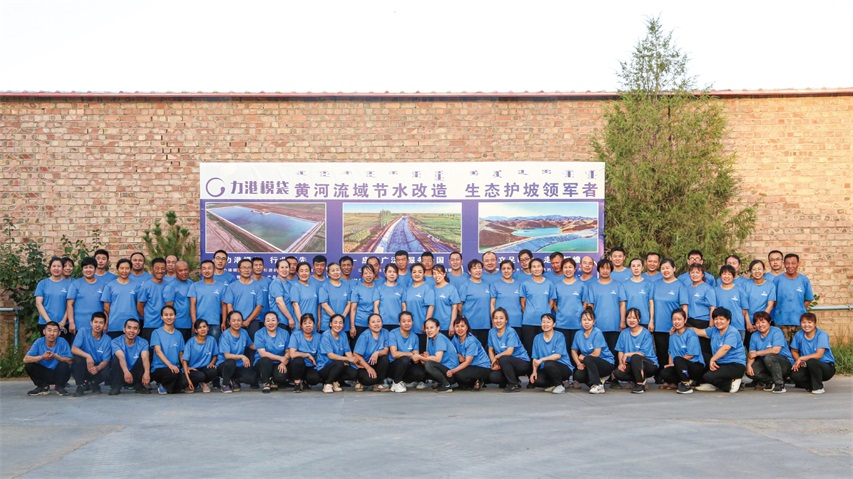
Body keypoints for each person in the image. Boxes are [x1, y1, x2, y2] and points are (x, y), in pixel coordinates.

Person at [649, 258, 688, 382]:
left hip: (674, 325)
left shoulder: (680, 286)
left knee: (674, 352)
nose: (665, 271)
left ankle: (674, 377)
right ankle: (661, 376)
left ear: (674, 269)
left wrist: (682, 324)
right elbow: (652, 303)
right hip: (659, 325)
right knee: (661, 352)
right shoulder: (656, 284)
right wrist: (651, 320)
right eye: (663, 268)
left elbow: (684, 307)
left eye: (668, 268)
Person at [692, 307, 747, 393]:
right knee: (701, 356)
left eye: (721, 319)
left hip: (735, 365)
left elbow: (725, 348)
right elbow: (698, 331)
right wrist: (681, 327)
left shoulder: (732, 332)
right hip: (721, 363)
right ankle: (714, 383)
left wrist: (713, 359)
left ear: (728, 321)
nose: (718, 321)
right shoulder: (714, 330)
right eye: (716, 319)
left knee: (708, 376)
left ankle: (730, 385)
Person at [570, 308, 616, 394]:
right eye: (584, 320)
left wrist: (584, 358)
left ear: (594, 322)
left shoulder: (597, 333)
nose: (586, 322)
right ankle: (597, 382)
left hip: (606, 363)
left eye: (589, 320)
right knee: (578, 375)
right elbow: (573, 350)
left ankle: (597, 384)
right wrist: (578, 364)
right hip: (589, 363)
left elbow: (596, 354)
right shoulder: (578, 334)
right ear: (581, 321)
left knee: (588, 359)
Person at [613, 308, 659, 394]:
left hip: (648, 364)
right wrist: (621, 363)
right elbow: (620, 350)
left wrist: (627, 354)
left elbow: (643, 353)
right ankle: (640, 378)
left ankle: (639, 384)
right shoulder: (623, 333)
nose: (631, 320)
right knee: (618, 373)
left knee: (635, 357)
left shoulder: (646, 333)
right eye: (629, 318)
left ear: (639, 319)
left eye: (634, 318)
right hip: (632, 364)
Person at [659, 309, 705, 394]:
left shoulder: (691, 333)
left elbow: (690, 355)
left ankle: (686, 385)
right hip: (679, 366)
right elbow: (670, 353)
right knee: (664, 373)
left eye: (679, 319)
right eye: (674, 319)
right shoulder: (672, 335)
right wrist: (670, 365)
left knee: (678, 359)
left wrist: (675, 364)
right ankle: (687, 381)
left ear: (685, 320)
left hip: (694, 365)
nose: (676, 322)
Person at [746, 311, 794, 393]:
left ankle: (779, 384)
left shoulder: (776, 331)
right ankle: (770, 381)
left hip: (784, 363)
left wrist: (757, 353)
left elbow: (775, 350)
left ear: (769, 322)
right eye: (757, 323)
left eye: (763, 322)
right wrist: (749, 365)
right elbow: (751, 354)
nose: (760, 325)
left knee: (769, 357)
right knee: (751, 371)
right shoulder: (754, 336)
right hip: (767, 363)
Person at [586, 259, 627, 353]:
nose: (605, 271)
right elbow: (590, 305)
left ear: (611, 270)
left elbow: (622, 304)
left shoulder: (618, 285)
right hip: (597, 326)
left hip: (614, 325)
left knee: (614, 352)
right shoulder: (592, 286)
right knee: (599, 352)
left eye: (607, 268)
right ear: (598, 269)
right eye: (602, 268)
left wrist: (622, 321)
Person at [790, 312, 836, 394]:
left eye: (810, 322)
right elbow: (794, 350)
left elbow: (819, 355)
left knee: (812, 361)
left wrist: (801, 358)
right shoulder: (799, 334)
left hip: (826, 367)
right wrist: (799, 361)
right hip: (807, 365)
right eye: (804, 322)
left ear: (815, 324)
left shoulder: (822, 335)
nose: (806, 325)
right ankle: (810, 386)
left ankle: (818, 387)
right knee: (794, 374)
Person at [487, 307, 531, 392]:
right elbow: (490, 350)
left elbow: (509, 352)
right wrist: (494, 363)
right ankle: (515, 380)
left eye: (501, 318)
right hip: (505, 362)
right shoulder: (491, 332)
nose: (498, 321)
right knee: (494, 377)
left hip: (521, 362)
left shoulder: (511, 331)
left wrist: (496, 357)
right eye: (496, 318)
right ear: (492, 320)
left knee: (503, 359)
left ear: (506, 320)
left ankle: (513, 384)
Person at [24, 321, 72, 396]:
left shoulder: (62, 342)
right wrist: (42, 357)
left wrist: (55, 356)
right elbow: (25, 359)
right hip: (44, 373)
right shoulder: (39, 342)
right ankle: (43, 386)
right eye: (49, 330)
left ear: (59, 333)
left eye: (55, 331)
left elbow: (70, 361)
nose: (52, 333)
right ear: (44, 332)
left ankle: (60, 386)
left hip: (59, 373)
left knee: (64, 364)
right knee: (29, 365)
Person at [552, 258, 589, 355]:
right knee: (563, 351)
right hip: (561, 324)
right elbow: (554, 304)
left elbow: (585, 302)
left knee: (576, 350)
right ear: (562, 269)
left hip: (577, 324)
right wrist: (560, 313)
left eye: (570, 267)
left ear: (575, 269)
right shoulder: (557, 286)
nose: (568, 270)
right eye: (565, 267)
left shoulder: (581, 285)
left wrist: (580, 314)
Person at [519, 258, 556, 355]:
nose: (536, 269)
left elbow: (551, 302)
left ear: (543, 268)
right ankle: (531, 365)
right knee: (529, 348)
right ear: (530, 269)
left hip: (545, 323)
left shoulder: (549, 284)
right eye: (534, 267)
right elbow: (523, 303)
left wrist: (545, 314)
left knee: (544, 348)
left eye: (538, 266)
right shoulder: (525, 284)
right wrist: (529, 313)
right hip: (529, 321)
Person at [528, 314, 572, 394]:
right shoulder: (537, 338)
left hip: (563, 367)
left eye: (548, 322)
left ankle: (559, 386)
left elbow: (558, 356)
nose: (545, 324)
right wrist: (534, 372)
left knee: (548, 364)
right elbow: (535, 357)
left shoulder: (559, 336)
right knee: (537, 380)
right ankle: (553, 385)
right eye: (543, 322)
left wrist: (542, 359)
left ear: (554, 324)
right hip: (547, 368)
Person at [216, 311, 259, 393]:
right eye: (234, 320)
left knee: (252, 377)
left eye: (239, 320)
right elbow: (227, 355)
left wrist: (264, 346)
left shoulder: (244, 332)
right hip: (224, 365)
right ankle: (225, 384)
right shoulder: (225, 335)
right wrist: (242, 356)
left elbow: (251, 345)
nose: (236, 323)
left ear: (242, 321)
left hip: (238, 365)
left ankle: (234, 380)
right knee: (230, 362)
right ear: (229, 322)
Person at [775, 253, 814, 341]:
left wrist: (799, 309)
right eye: (787, 263)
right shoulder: (777, 280)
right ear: (784, 264)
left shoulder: (804, 280)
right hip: (781, 321)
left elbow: (808, 299)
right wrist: (782, 308)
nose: (790, 266)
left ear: (798, 264)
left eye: (793, 263)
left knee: (798, 346)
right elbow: (773, 300)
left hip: (799, 321)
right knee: (782, 347)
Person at [70, 312, 112, 396]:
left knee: (107, 367)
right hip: (85, 365)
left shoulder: (107, 339)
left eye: (101, 323)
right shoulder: (83, 331)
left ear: (104, 325)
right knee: (77, 359)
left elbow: (106, 360)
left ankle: (94, 383)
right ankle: (80, 386)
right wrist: (88, 356)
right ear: (91, 323)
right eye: (96, 322)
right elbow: (73, 349)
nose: (98, 325)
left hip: (97, 366)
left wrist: (98, 368)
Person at [150, 305, 188, 394]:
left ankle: (168, 387)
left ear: (175, 316)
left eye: (171, 315)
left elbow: (181, 354)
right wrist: (170, 365)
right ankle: (162, 385)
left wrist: (186, 367)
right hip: (160, 368)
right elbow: (158, 351)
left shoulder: (179, 334)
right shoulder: (156, 333)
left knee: (184, 383)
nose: (168, 317)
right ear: (162, 317)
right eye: (166, 315)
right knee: (173, 374)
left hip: (175, 368)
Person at [316, 314, 358, 393]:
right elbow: (331, 355)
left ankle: (334, 381)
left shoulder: (343, 335)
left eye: (340, 323)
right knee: (339, 363)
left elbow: (347, 351)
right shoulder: (326, 336)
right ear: (330, 324)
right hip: (324, 367)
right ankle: (328, 384)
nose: (338, 325)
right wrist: (348, 359)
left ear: (343, 325)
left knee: (353, 372)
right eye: (335, 322)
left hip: (337, 365)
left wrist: (355, 363)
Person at [109, 319, 151, 395]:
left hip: (135, 373)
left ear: (138, 331)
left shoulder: (144, 342)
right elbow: (121, 357)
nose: (131, 331)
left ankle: (139, 386)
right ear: (124, 329)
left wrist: (147, 373)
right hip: (123, 372)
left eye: (135, 328)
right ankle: (116, 386)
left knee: (143, 359)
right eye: (129, 327)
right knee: (115, 360)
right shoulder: (115, 341)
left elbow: (145, 358)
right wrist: (126, 372)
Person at [222, 258, 263, 338]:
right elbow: (229, 306)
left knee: (252, 344)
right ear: (238, 269)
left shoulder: (258, 287)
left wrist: (248, 321)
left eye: (249, 268)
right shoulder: (232, 286)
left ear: (252, 269)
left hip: (252, 321)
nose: (246, 270)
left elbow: (259, 306)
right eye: (243, 267)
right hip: (235, 323)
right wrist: (234, 320)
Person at [387, 312, 427, 392]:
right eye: (404, 321)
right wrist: (410, 354)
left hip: (406, 365)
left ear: (412, 322)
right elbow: (394, 354)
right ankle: (396, 383)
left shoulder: (414, 337)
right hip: (393, 366)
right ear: (399, 323)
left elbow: (415, 359)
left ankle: (403, 381)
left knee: (420, 373)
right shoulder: (393, 333)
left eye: (409, 321)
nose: (407, 323)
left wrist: (422, 356)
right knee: (404, 359)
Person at [449, 317, 492, 390]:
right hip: (470, 366)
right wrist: (458, 355)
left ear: (467, 327)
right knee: (456, 371)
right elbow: (451, 351)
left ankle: (478, 380)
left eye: (462, 326)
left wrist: (452, 371)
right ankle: (471, 384)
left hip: (482, 366)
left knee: (457, 373)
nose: (460, 329)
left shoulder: (471, 341)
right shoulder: (456, 338)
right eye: (457, 326)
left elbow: (467, 362)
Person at [418, 318, 460, 393]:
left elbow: (437, 359)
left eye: (431, 327)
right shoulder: (430, 340)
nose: (429, 330)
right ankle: (442, 383)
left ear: (438, 328)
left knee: (429, 365)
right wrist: (425, 356)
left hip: (451, 372)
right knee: (425, 365)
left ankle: (446, 385)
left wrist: (420, 357)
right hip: (444, 370)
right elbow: (429, 358)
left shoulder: (440, 338)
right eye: (427, 328)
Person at [686, 263, 717, 364]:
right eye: (692, 272)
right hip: (689, 321)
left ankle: (705, 369)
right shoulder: (687, 288)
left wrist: (711, 324)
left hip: (703, 322)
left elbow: (712, 307)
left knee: (704, 349)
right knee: (691, 348)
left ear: (702, 274)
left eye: (697, 272)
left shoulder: (708, 288)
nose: (694, 274)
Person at [101, 259, 139, 338]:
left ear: (131, 269)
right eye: (122, 268)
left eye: (127, 268)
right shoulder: (110, 286)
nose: (124, 271)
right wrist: (106, 322)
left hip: (132, 326)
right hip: (114, 324)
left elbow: (139, 305)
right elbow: (106, 307)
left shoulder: (137, 286)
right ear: (117, 269)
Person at [352, 313, 391, 392]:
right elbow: (356, 354)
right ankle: (360, 381)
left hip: (375, 363)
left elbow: (385, 351)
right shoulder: (364, 336)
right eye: (373, 322)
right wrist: (368, 368)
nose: (376, 324)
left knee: (384, 359)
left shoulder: (385, 332)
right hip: (363, 365)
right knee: (369, 380)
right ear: (369, 325)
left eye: (378, 321)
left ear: (382, 323)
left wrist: (377, 353)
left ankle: (378, 384)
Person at [253, 312, 291, 393]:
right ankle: (266, 383)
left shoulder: (285, 333)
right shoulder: (259, 334)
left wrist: (283, 362)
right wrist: (280, 358)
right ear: (264, 323)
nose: (271, 323)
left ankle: (274, 381)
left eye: (273, 320)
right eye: (268, 320)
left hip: (279, 363)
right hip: (263, 363)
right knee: (265, 360)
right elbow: (263, 353)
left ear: (278, 321)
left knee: (281, 376)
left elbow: (288, 351)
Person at [188, 260, 225, 340]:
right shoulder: (195, 286)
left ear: (214, 270)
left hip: (214, 323)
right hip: (199, 323)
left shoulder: (221, 286)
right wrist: (194, 322)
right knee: (197, 346)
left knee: (214, 346)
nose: (207, 271)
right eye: (204, 268)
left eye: (209, 268)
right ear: (201, 271)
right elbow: (192, 305)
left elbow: (224, 305)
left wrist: (224, 322)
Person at [458, 259, 492, 346]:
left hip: (485, 325)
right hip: (470, 325)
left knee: (483, 349)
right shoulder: (465, 285)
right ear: (469, 271)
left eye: (479, 268)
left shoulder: (487, 285)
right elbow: (459, 306)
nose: (478, 270)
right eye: (474, 268)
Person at [66, 256, 103, 335]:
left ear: (95, 269)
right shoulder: (75, 284)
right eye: (85, 267)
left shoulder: (103, 285)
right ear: (82, 270)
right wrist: (71, 322)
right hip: (79, 325)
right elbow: (69, 304)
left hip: (97, 326)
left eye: (91, 267)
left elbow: (106, 306)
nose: (88, 270)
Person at [402, 263, 434, 350]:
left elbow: (431, 307)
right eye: (414, 272)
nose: (417, 274)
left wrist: (426, 324)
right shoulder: (408, 289)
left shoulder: (427, 288)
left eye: (420, 272)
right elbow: (405, 307)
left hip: (421, 327)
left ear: (424, 273)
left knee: (421, 352)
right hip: (409, 327)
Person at [714, 265, 751, 342]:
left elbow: (745, 310)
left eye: (729, 274)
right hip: (720, 326)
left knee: (737, 348)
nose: (726, 276)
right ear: (720, 276)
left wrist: (748, 323)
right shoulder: (715, 290)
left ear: (733, 276)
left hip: (737, 326)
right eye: (724, 274)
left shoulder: (739, 290)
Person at [35, 257, 72, 333]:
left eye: (59, 266)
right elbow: (38, 304)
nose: (56, 268)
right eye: (54, 266)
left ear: (62, 268)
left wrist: (63, 321)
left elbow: (70, 304)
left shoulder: (69, 284)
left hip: (63, 324)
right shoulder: (42, 283)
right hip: (45, 323)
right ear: (50, 268)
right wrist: (49, 321)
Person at [182, 319, 219, 393]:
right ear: (195, 330)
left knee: (213, 370)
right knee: (200, 376)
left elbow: (215, 355)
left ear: (208, 328)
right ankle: (193, 384)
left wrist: (212, 363)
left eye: (204, 327)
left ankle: (204, 383)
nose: (202, 329)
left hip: (205, 368)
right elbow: (184, 361)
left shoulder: (212, 340)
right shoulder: (190, 342)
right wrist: (188, 380)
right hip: (193, 369)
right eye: (199, 327)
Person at [135, 257, 168, 341]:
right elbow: (139, 307)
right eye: (157, 268)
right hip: (150, 326)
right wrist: (148, 318)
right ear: (152, 269)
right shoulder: (146, 286)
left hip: (165, 326)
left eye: (163, 268)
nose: (160, 271)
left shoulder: (168, 286)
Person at [288, 313, 322, 392]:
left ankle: (305, 382)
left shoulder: (319, 337)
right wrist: (307, 355)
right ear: (301, 326)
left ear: (314, 324)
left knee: (314, 379)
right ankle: (297, 383)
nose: (308, 325)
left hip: (311, 365)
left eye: (310, 323)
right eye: (305, 323)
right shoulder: (295, 335)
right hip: (298, 365)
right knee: (298, 360)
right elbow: (292, 354)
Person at [490, 260, 524, 337]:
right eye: (503, 268)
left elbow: (522, 303)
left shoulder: (519, 284)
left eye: (508, 268)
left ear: (513, 270)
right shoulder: (495, 284)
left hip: (516, 321)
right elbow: (492, 304)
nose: (506, 271)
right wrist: (493, 321)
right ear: (500, 270)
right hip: (500, 322)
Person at [164, 260, 193, 341]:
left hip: (191, 324)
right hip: (178, 325)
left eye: (185, 269)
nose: (184, 272)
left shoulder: (192, 284)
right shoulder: (171, 287)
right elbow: (169, 308)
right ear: (175, 271)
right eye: (180, 270)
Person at [319, 262, 351, 333]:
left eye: (337, 270)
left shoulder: (346, 286)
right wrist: (336, 319)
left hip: (344, 323)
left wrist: (342, 317)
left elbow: (349, 303)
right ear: (328, 274)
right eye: (333, 270)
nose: (336, 272)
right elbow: (324, 305)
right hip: (328, 324)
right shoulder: (324, 286)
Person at [622, 258, 654, 327]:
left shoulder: (649, 284)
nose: (636, 268)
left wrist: (651, 320)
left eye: (638, 266)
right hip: (630, 320)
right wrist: (623, 321)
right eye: (633, 266)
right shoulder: (624, 284)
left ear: (642, 268)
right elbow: (623, 304)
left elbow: (651, 303)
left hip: (645, 320)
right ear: (630, 268)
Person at [348, 264, 376, 339]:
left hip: (374, 323)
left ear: (374, 275)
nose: (368, 275)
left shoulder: (378, 288)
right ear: (362, 275)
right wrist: (352, 326)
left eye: (370, 273)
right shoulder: (357, 289)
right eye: (365, 273)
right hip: (359, 324)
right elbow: (353, 308)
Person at [743, 260, 776, 324]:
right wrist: (748, 323)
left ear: (764, 270)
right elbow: (744, 306)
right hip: (748, 321)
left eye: (759, 269)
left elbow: (770, 306)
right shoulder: (745, 285)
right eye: (754, 269)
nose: (757, 271)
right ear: (750, 271)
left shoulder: (770, 285)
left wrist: (760, 322)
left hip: (763, 321)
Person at [431, 265, 460, 335]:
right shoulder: (431, 289)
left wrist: (452, 325)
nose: (436, 276)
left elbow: (454, 308)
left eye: (439, 273)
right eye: (434, 273)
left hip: (446, 326)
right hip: (433, 326)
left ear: (444, 274)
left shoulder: (451, 288)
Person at [291, 262, 321, 329]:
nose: (304, 273)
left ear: (310, 272)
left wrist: (319, 321)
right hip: (301, 324)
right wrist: (302, 323)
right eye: (301, 271)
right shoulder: (295, 286)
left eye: (306, 271)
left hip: (313, 324)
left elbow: (318, 305)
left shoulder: (314, 286)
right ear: (297, 273)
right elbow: (295, 305)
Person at [374, 263, 404, 331]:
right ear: (385, 273)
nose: (392, 274)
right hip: (383, 322)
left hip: (397, 322)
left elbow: (404, 307)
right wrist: (377, 321)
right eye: (389, 271)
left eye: (394, 272)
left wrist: (403, 320)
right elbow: (376, 306)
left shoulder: (401, 289)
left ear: (397, 274)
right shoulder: (379, 289)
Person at [269, 259, 296, 331]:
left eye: (286, 267)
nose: (284, 270)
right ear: (277, 270)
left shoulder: (289, 284)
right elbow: (279, 302)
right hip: (280, 321)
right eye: (282, 267)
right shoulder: (276, 283)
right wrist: (290, 318)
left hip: (288, 322)